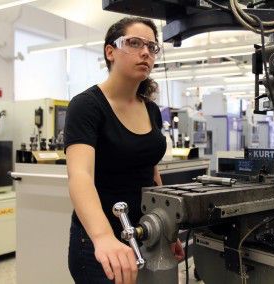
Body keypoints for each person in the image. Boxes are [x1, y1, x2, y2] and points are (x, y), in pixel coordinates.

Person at [64, 17, 184, 284]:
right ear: (110, 52)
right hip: (101, 244)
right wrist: (103, 237)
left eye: (152, 47)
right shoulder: (86, 106)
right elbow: (79, 176)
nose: (145, 52)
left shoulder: (150, 109)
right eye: (134, 43)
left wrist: (166, 229)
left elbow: (151, 172)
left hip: (146, 234)